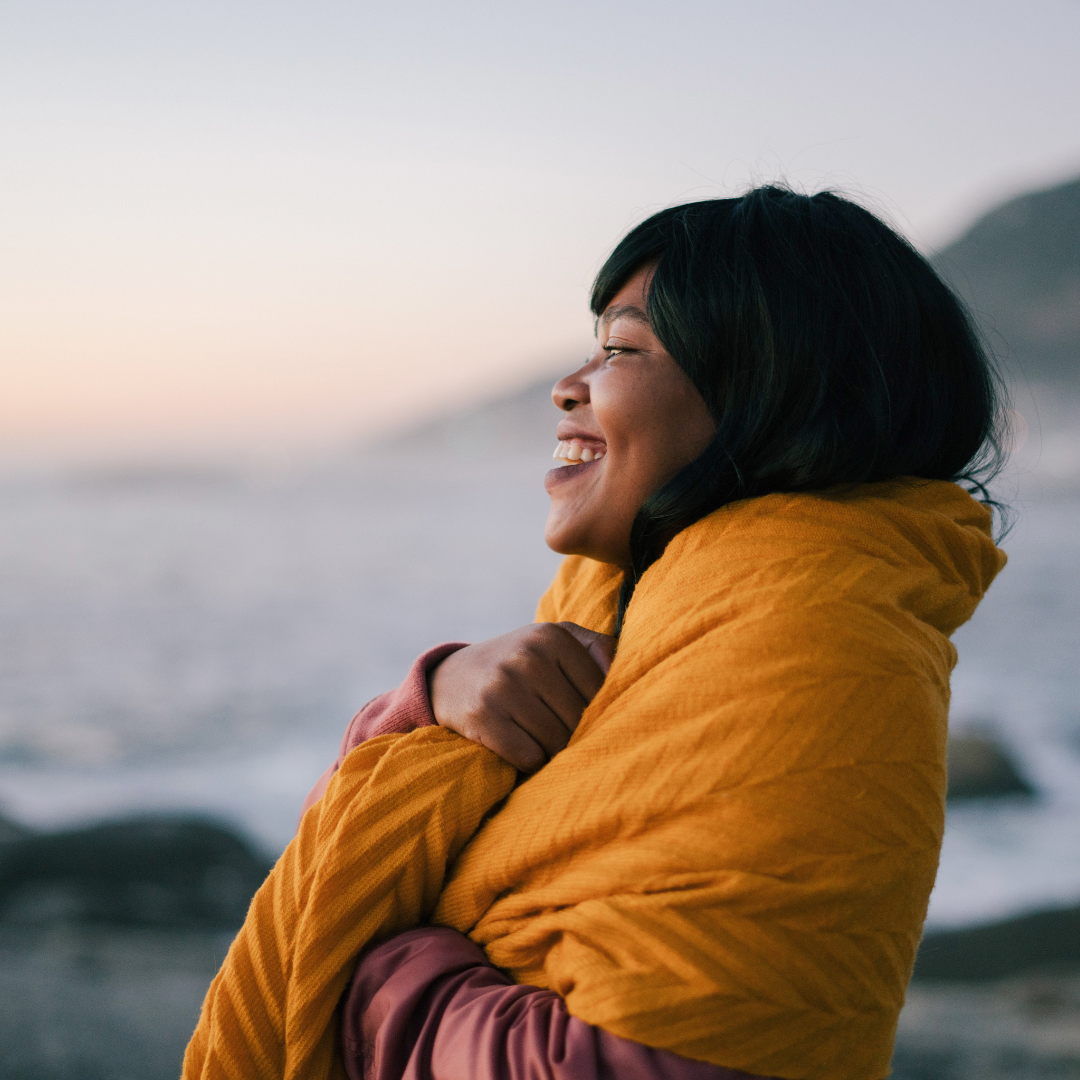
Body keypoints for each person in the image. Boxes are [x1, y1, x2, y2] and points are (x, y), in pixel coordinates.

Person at [185, 187, 1008, 1080]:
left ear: (772, 390)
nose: (566, 385)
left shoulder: (815, 643)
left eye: (619, 348)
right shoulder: (637, 613)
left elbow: (649, 1062)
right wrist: (433, 698)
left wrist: (372, 972)